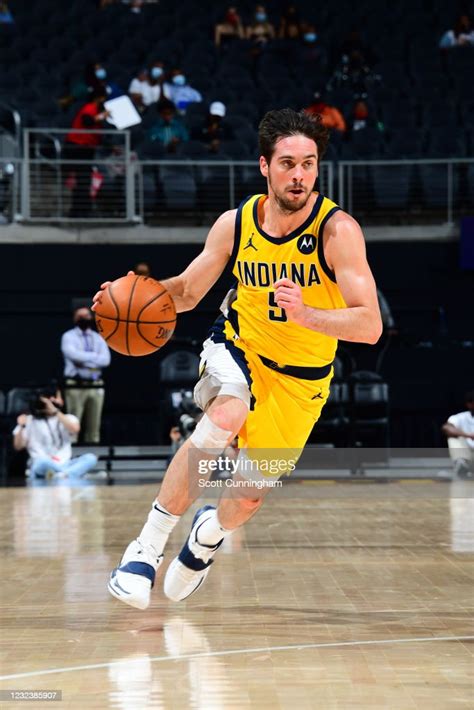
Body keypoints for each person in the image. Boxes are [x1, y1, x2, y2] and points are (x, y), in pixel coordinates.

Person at [94, 108, 382, 610]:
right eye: (288, 163)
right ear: (264, 166)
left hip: (302, 381)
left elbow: (369, 324)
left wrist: (307, 314)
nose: (299, 175)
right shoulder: (237, 223)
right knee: (228, 411)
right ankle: (144, 549)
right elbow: (184, 291)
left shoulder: (339, 232)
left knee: (246, 496)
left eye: (309, 164)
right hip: (238, 346)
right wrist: (134, 293)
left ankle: (206, 537)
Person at [12, 386, 99, 480]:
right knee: (42, 463)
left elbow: (75, 429)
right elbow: (18, 446)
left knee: (91, 458)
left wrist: (55, 411)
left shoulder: (67, 418)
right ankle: (69, 474)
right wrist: (21, 426)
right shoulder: (28, 420)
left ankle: (61, 474)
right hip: (42, 463)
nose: (59, 401)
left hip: (65, 463)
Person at [61, 306, 111, 443]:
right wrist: (95, 357)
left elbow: (105, 360)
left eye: (87, 315)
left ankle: (94, 457)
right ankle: (70, 455)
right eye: (81, 316)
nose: (85, 319)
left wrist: (84, 360)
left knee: (94, 425)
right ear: (75, 319)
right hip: (75, 385)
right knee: (73, 422)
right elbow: (72, 355)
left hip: (95, 383)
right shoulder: (68, 336)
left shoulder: (98, 337)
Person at [63, 90, 110, 217]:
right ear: (97, 98)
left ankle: (82, 210)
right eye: (103, 98)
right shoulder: (90, 107)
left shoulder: (98, 112)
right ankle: (78, 211)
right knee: (81, 180)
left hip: (87, 148)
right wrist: (102, 116)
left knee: (84, 180)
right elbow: (87, 121)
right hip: (77, 147)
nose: (104, 101)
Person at [442, 392, 474, 478]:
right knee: (453, 438)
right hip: (469, 456)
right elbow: (447, 428)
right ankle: (461, 463)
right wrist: (468, 435)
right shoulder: (460, 417)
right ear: (470, 404)